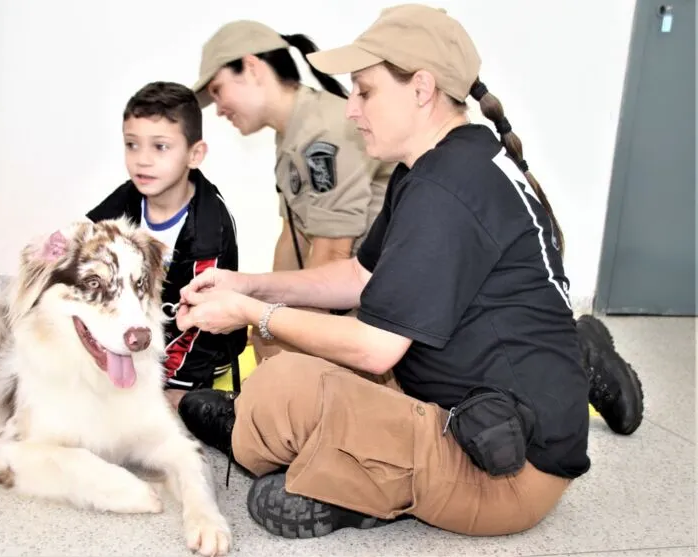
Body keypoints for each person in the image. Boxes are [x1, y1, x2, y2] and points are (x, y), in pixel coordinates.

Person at [170, 4, 644, 541]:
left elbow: (376, 348)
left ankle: (330, 474)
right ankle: (302, 453)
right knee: (296, 361)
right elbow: (358, 276)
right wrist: (248, 284)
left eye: (364, 91)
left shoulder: (446, 187)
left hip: (507, 470)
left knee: (286, 383)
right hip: (474, 401)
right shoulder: (437, 164)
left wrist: (253, 313)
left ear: (421, 89)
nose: (351, 110)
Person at [191, 20, 397, 362]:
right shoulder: (292, 132)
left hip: (380, 312)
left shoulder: (323, 132)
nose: (219, 107)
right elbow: (294, 237)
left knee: (275, 348)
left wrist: (278, 332)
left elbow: (332, 252)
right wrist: (265, 313)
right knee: (264, 336)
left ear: (252, 68)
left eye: (217, 90)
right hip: (352, 295)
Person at [85, 81, 247, 409]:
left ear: (194, 154)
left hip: (197, 353)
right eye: (132, 145)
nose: (142, 160)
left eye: (160, 147)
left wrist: (165, 383)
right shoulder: (127, 198)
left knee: (178, 409)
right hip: (141, 332)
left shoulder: (208, 233)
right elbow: (88, 246)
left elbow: (202, 326)